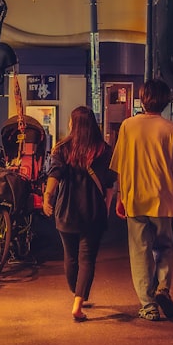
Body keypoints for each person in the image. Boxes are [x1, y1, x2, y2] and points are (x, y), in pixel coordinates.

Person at [110, 78, 173, 321]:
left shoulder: (127, 126)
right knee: (164, 247)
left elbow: (121, 165)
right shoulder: (171, 129)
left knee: (140, 252)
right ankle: (162, 287)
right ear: (166, 101)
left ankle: (148, 306)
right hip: (163, 198)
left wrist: (120, 196)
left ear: (143, 100)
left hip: (135, 198)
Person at [42, 106, 117, 323]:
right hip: (93, 211)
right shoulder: (104, 149)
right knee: (87, 258)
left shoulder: (62, 148)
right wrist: (107, 207)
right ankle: (78, 299)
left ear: (73, 124)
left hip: (66, 209)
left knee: (70, 257)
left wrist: (48, 197)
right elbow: (109, 184)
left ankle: (77, 293)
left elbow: (54, 175)